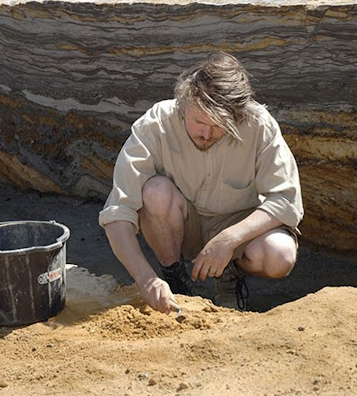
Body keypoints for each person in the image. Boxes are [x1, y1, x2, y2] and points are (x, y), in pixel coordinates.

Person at [98, 52, 303, 314]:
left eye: (219, 126)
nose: (206, 134)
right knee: (155, 191)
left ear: (239, 115)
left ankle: (230, 276)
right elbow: (117, 213)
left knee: (280, 254)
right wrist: (145, 279)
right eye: (199, 121)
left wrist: (230, 239)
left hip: (238, 225)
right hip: (182, 225)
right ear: (183, 105)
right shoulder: (155, 124)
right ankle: (175, 280)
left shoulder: (259, 124)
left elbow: (286, 201)